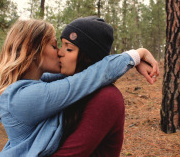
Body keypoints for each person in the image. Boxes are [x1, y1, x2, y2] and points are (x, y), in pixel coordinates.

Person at [0, 19, 158, 157]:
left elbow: (87, 74)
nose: (59, 52)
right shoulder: (22, 97)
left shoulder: (39, 85)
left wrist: (130, 61)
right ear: (34, 52)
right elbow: (85, 78)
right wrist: (136, 55)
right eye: (55, 45)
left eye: (68, 48)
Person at [51, 16, 159, 157]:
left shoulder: (106, 97)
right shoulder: (68, 86)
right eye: (61, 44)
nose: (60, 52)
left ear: (87, 57)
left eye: (69, 49)